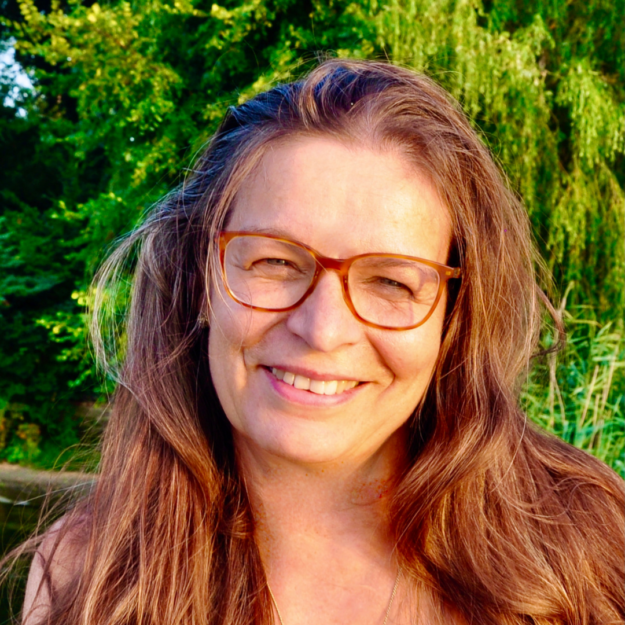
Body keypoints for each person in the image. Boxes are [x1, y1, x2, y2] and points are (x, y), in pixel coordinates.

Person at [20, 59, 624, 625]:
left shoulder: (593, 549)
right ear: (199, 279)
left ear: (454, 317)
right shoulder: (87, 573)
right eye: (276, 262)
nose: (323, 330)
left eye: (391, 282)